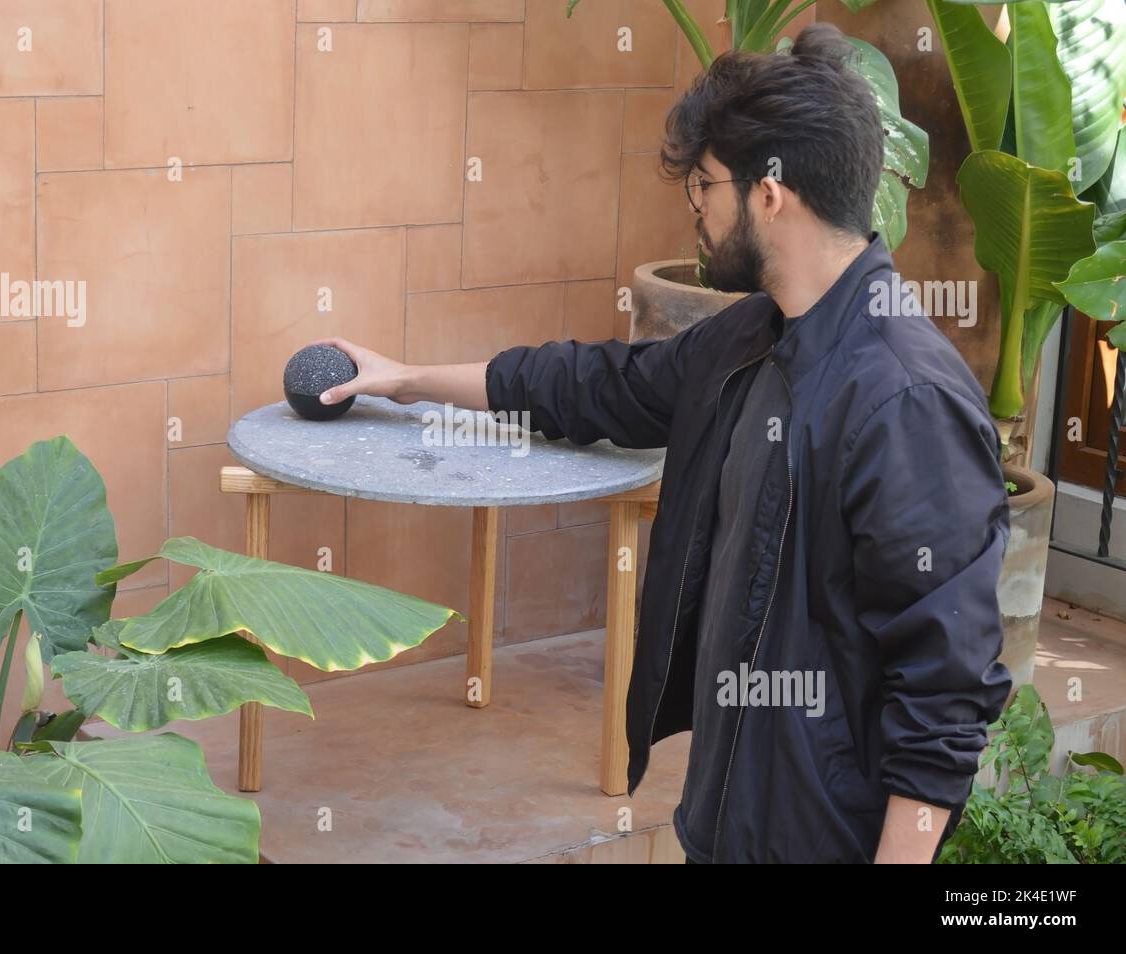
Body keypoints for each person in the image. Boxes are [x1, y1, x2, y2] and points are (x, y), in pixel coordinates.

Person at [307, 22, 1012, 863]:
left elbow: (943, 692)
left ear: (771, 194)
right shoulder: (752, 339)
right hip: (722, 825)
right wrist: (407, 378)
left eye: (705, 186)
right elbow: (594, 384)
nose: (695, 211)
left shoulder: (905, 399)